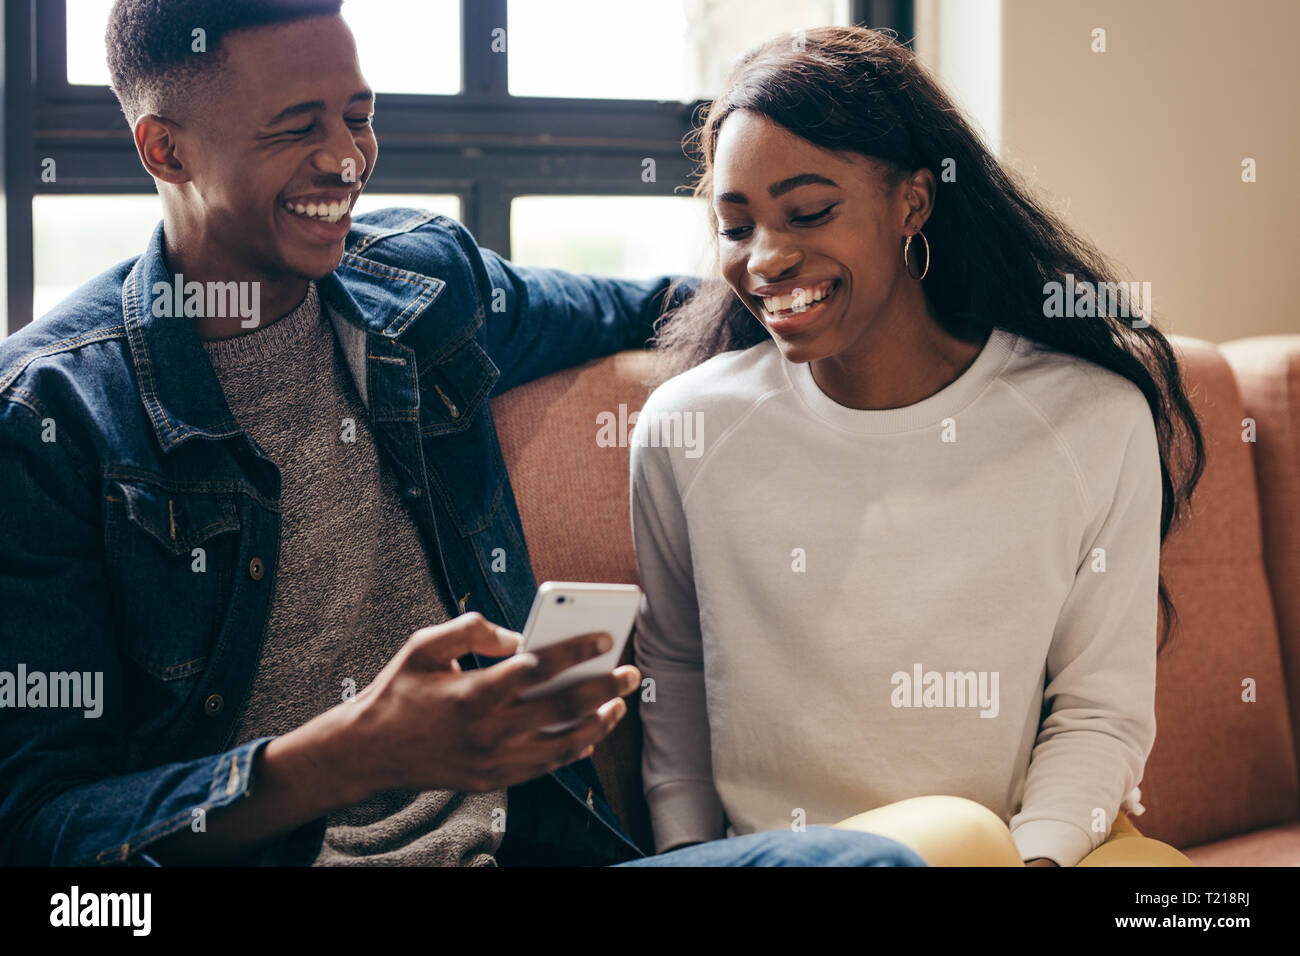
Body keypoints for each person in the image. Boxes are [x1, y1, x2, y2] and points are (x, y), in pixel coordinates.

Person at [0, 1, 923, 870]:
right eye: (295, 127)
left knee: (867, 859)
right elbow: (42, 823)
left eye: (357, 114)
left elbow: (653, 309)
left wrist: (902, 311)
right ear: (165, 149)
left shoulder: (423, 288)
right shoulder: (53, 417)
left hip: (536, 847)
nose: (345, 159)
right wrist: (351, 752)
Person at [630, 26, 1205, 867]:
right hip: (805, 859)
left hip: (1022, 854)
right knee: (961, 839)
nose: (767, 259)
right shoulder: (687, 430)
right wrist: (688, 858)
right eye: (736, 226)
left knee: (1171, 889)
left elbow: (1098, 712)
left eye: (809, 212)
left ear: (913, 201)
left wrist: (1041, 857)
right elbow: (672, 678)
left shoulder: (1090, 418)